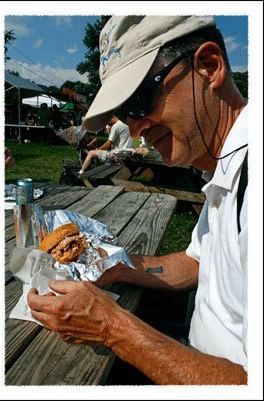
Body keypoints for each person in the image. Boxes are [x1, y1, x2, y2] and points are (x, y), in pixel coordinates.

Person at [27, 16, 248, 384]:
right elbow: (197, 262)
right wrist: (118, 267)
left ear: (209, 66)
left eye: (142, 99)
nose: (135, 128)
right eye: (126, 113)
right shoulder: (223, 167)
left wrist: (111, 326)